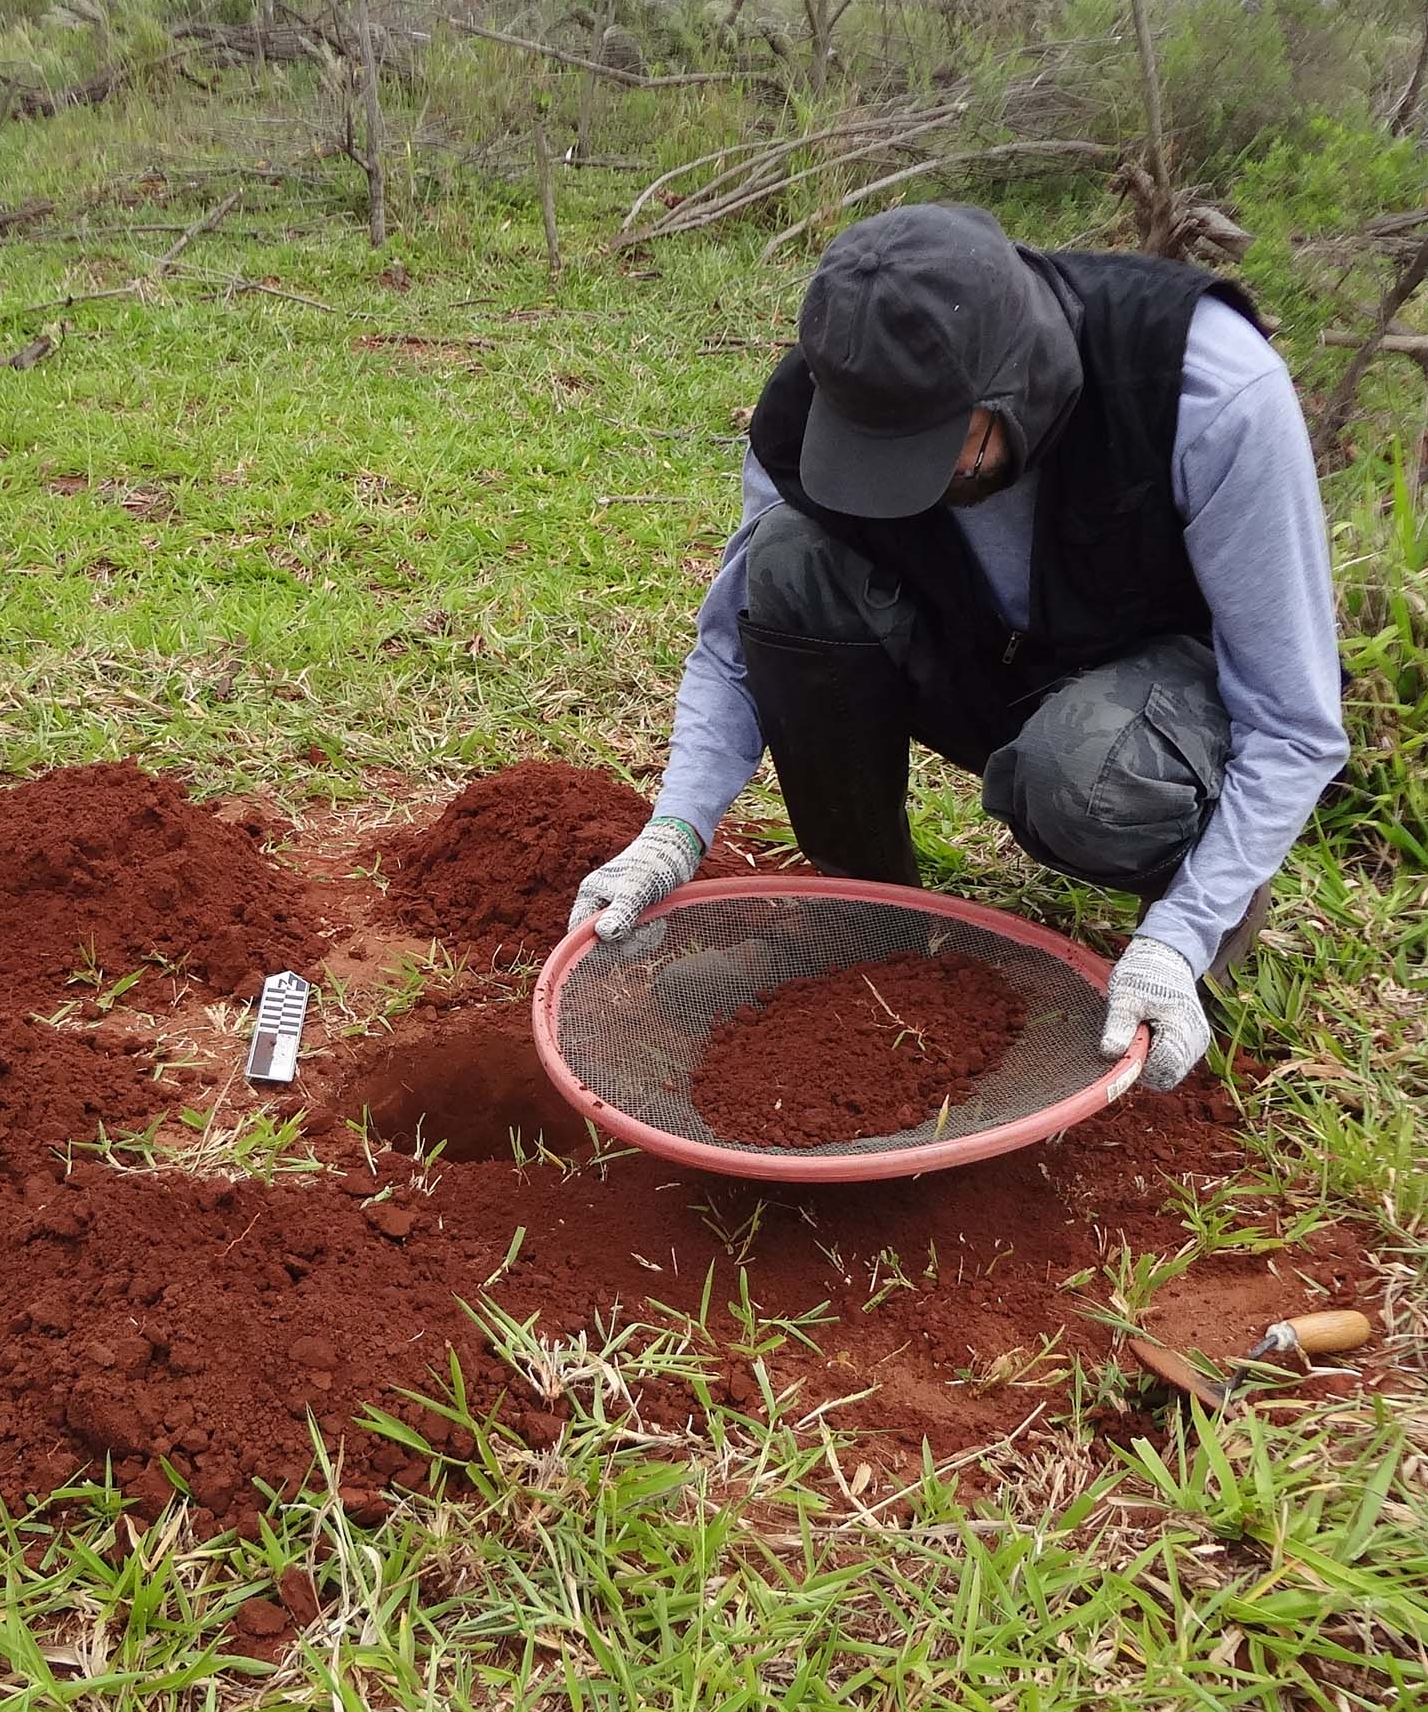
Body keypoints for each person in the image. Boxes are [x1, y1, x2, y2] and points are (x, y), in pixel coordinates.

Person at [566, 203, 1347, 1092]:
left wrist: (1181, 935)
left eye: (934, 451)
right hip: (983, 656)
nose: (901, 488)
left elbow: (1293, 721)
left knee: (1086, 775)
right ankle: (867, 927)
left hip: (1159, 690)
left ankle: (1200, 911)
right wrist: (673, 832)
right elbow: (739, 641)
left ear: (1017, 384)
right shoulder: (817, 407)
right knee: (788, 561)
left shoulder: (1202, 389)